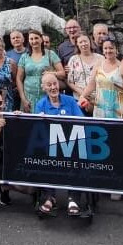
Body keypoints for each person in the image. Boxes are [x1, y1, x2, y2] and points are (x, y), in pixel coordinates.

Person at [33, 72, 86, 216]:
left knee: (77, 159)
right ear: (44, 88)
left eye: (55, 83)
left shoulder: (69, 101)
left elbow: (81, 121)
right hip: (49, 146)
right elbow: (37, 129)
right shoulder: (41, 104)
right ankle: (49, 197)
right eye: (49, 85)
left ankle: (73, 199)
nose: (53, 87)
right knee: (43, 160)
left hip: (70, 144)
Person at [80, 39, 123, 119]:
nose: (108, 51)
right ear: (103, 51)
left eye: (111, 48)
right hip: (100, 109)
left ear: (116, 50)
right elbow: (91, 85)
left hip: (118, 110)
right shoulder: (98, 64)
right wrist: (82, 96)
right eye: (105, 48)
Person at [17, 29, 65, 112]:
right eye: (31, 39)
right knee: (30, 123)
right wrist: (23, 99)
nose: (34, 41)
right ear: (28, 41)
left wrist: (50, 73)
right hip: (29, 97)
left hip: (47, 95)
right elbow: (19, 79)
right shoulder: (24, 57)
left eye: (36, 38)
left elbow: (62, 73)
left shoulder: (50, 54)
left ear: (41, 39)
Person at [65, 33, 104, 104]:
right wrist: (82, 93)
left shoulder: (101, 58)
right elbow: (69, 81)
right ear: (77, 45)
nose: (83, 44)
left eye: (85, 41)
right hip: (79, 98)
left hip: (99, 98)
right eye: (80, 42)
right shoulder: (73, 60)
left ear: (90, 42)